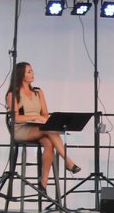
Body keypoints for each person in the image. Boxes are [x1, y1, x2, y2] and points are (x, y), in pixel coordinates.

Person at [7, 61, 80, 193]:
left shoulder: (38, 92)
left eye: (32, 71)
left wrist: (42, 119)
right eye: (29, 71)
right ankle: (68, 162)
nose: (33, 73)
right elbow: (16, 118)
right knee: (50, 130)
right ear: (21, 75)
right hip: (22, 129)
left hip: (39, 127)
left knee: (49, 142)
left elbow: (45, 113)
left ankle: (43, 182)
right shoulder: (13, 95)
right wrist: (34, 117)